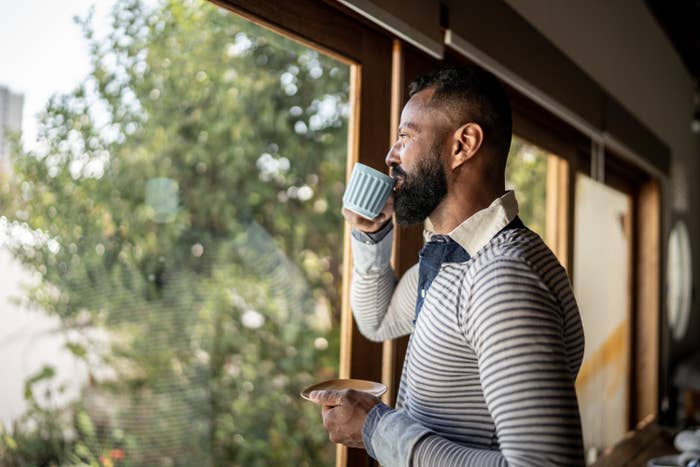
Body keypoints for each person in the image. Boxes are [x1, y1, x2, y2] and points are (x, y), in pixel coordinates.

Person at [309, 66, 585, 466]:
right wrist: (371, 237)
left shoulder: (503, 277)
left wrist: (376, 429)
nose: (390, 155)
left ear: (463, 145)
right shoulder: (454, 257)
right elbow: (379, 320)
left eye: (405, 136)